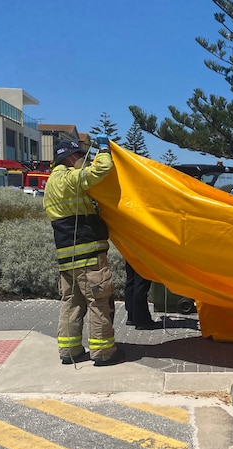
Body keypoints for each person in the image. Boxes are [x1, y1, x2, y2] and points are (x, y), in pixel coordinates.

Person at [44, 137, 125, 366]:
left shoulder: (51, 184)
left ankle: (70, 351)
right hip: (88, 256)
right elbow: (103, 168)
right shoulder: (71, 179)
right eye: (81, 157)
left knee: (71, 303)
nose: (84, 161)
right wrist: (103, 149)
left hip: (66, 259)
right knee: (98, 302)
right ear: (70, 158)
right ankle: (103, 353)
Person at [124, 261, 161, 330]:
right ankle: (142, 320)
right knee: (141, 283)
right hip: (142, 254)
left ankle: (132, 315)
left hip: (130, 252)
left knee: (131, 280)